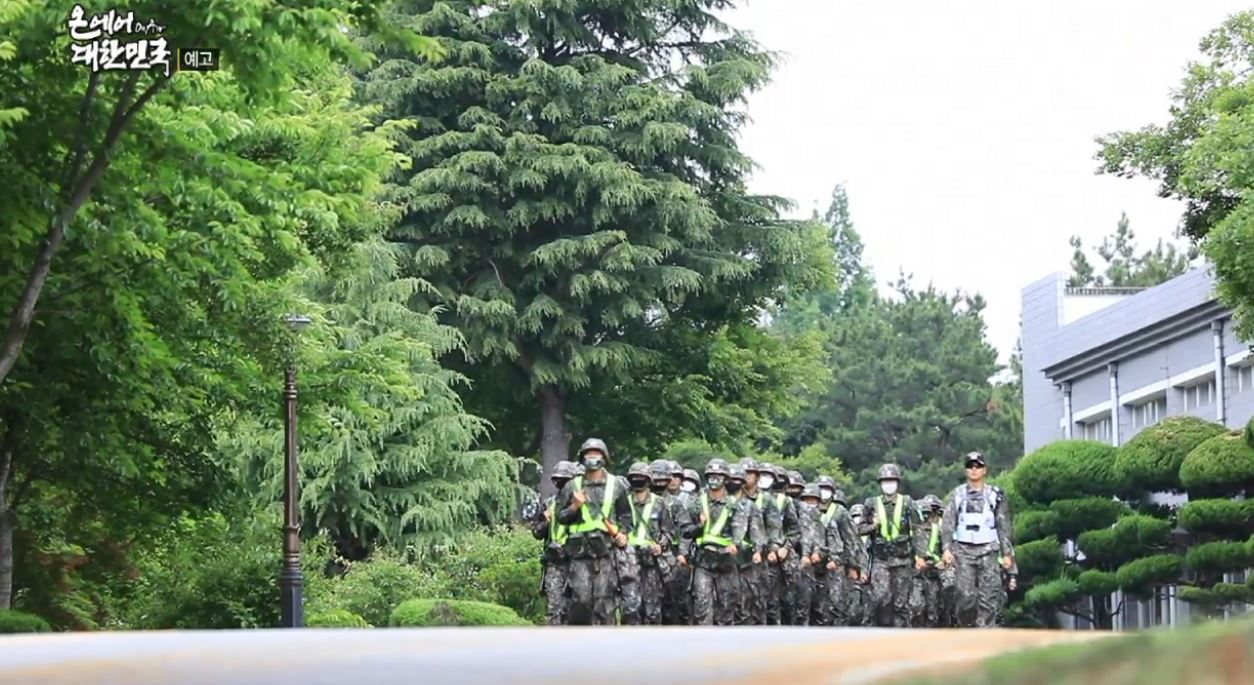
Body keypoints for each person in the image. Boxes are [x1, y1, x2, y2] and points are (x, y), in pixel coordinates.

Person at [554, 438, 634, 625]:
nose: (592, 457)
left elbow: (626, 516)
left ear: (604, 458)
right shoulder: (571, 486)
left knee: (605, 601)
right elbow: (560, 517)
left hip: (606, 552)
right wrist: (574, 507)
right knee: (581, 600)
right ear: (582, 458)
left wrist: (623, 534)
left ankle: (607, 647)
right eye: (588, 454)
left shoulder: (617, 485)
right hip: (579, 553)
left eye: (596, 454)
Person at [941, 451, 1015, 628]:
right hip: (964, 552)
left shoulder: (995, 496)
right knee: (964, 596)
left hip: (988, 550)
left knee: (989, 597)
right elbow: (948, 523)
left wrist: (1007, 553)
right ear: (966, 471)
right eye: (970, 466)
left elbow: (1003, 525)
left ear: (984, 470)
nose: (974, 470)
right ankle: (966, 629)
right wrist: (946, 548)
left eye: (978, 466)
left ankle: (985, 634)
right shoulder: (957, 495)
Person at [683, 458, 748, 625]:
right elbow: (685, 531)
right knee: (702, 606)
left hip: (726, 561)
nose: (714, 479)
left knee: (726, 608)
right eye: (711, 475)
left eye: (718, 476)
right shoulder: (696, 502)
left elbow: (739, 527)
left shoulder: (734, 504)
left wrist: (735, 543)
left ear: (725, 479)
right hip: (703, 561)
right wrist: (699, 526)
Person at [860, 463, 925, 627]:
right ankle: (880, 630)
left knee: (901, 603)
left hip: (902, 560)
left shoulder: (908, 502)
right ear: (880, 483)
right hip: (880, 560)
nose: (889, 484)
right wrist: (873, 525)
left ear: (897, 482)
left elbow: (918, 529)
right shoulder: (871, 504)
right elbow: (859, 529)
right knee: (881, 598)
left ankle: (901, 636)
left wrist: (920, 555)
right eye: (885, 481)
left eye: (892, 480)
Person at [624, 462, 675, 625]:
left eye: (641, 478)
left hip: (651, 562)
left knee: (652, 609)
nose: (638, 481)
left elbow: (669, 531)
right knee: (630, 608)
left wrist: (661, 545)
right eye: (635, 478)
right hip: (628, 561)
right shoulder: (623, 502)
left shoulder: (659, 503)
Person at [530, 460, 578, 625]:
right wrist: (546, 520)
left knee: (579, 606)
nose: (561, 484)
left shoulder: (581, 503)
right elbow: (536, 532)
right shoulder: (549, 504)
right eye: (558, 480)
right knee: (554, 607)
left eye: (565, 480)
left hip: (578, 561)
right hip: (555, 562)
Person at [822, 485, 866, 627]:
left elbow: (851, 540)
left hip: (838, 563)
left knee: (837, 603)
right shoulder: (811, 509)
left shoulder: (840, 513)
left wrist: (853, 565)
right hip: (817, 563)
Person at [728, 463, 766, 625]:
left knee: (748, 600)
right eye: (731, 480)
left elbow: (757, 531)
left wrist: (758, 550)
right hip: (722, 557)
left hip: (745, 560)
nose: (734, 483)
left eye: (738, 480)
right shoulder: (719, 503)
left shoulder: (750, 506)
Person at [762, 463, 800, 625]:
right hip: (759, 554)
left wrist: (785, 547)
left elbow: (795, 530)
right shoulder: (753, 499)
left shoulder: (786, 502)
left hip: (782, 557)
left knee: (787, 600)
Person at [911, 494, 946, 628]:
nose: (926, 517)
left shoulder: (939, 530)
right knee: (916, 607)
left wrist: (938, 562)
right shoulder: (911, 531)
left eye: (929, 513)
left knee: (933, 610)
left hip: (933, 575)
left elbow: (946, 551)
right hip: (915, 575)